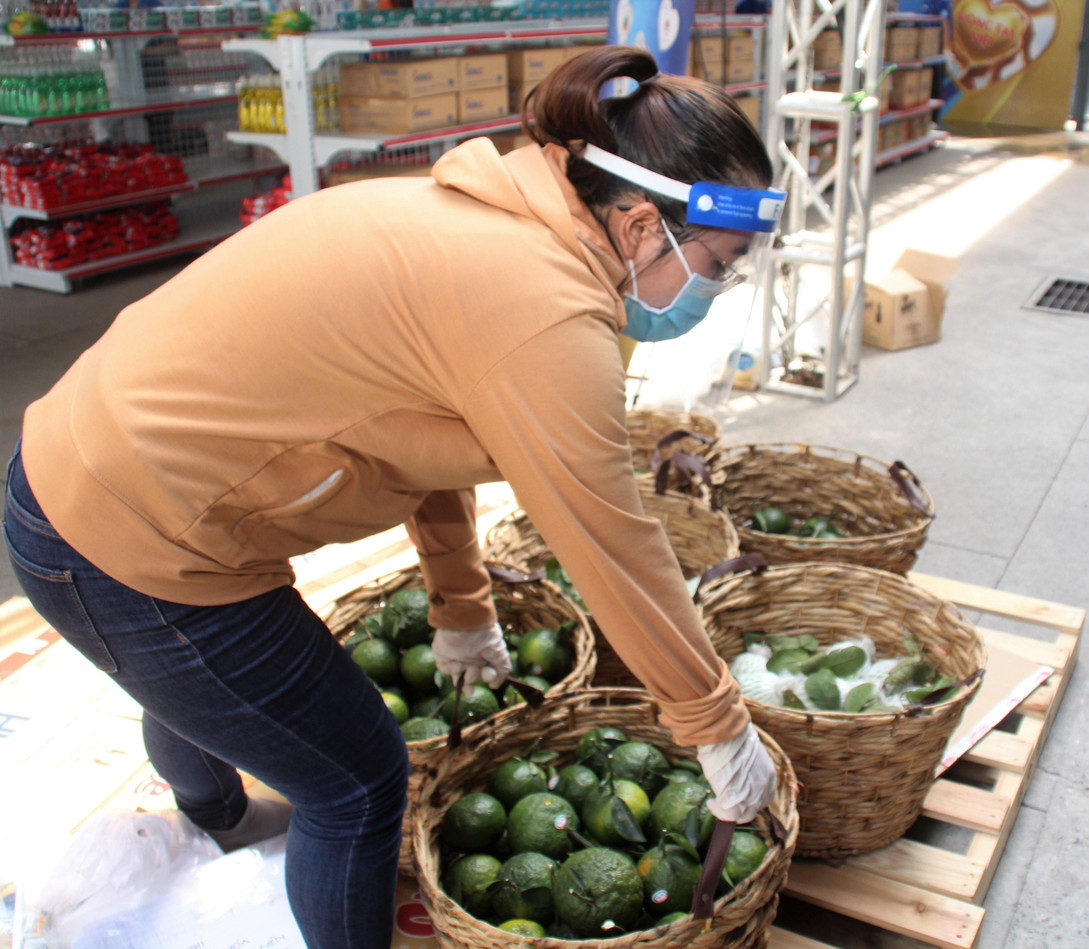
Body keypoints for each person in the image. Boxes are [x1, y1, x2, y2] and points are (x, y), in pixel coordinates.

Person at [3, 46, 784, 949]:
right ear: (644, 226)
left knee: (191, 679)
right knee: (359, 778)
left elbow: (416, 432)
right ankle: (236, 828)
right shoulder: (547, 310)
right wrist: (716, 722)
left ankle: (213, 818)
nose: (716, 289)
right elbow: (613, 540)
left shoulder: (492, 212)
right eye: (719, 263)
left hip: (68, 472)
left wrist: (462, 605)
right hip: (130, 543)